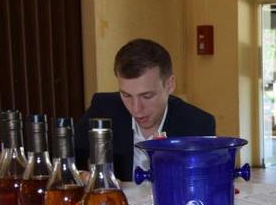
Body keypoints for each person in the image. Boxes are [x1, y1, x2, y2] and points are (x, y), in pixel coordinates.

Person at [75, 38, 216, 181]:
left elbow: (205, 182)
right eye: (126, 95)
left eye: (147, 96)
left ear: (170, 85)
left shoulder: (198, 124)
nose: (136, 109)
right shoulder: (103, 109)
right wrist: (81, 175)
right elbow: (68, 159)